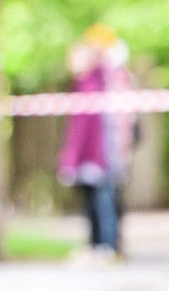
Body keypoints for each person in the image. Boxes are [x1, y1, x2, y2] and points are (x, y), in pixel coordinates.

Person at [58, 25, 135, 257]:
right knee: (92, 202)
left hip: (105, 154)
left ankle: (109, 246)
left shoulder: (105, 80)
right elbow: (78, 129)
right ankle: (96, 245)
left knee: (106, 200)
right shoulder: (84, 85)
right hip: (90, 157)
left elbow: (100, 126)